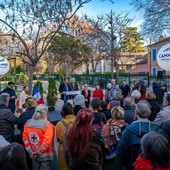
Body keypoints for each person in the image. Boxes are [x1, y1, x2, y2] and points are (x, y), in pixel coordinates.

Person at [116, 100, 162, 170]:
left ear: (136, 112)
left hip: (132, 166)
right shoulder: (158, 130)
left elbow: (120, 153)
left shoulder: (127, 131)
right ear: (149, 113)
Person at [22, 104, 54, 170]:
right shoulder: (47, 125)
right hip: (44, 155)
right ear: (45, 113)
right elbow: (47, 141)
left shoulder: (28, 123)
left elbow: (25, 138)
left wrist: (30, 151)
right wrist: (39, 152)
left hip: (33, 154)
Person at [17, 97, 37, 170]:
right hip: (38, 139)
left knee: (27, 158)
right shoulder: (41, 114)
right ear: (34, 104)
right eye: (36, 102)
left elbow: (19, 126)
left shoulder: (23, 115)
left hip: (26, 140)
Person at [56, 103, 75, 170]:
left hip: (63, 149)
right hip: (76, 148)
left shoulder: (59, 124)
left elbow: (58, 139)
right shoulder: (77, 121)